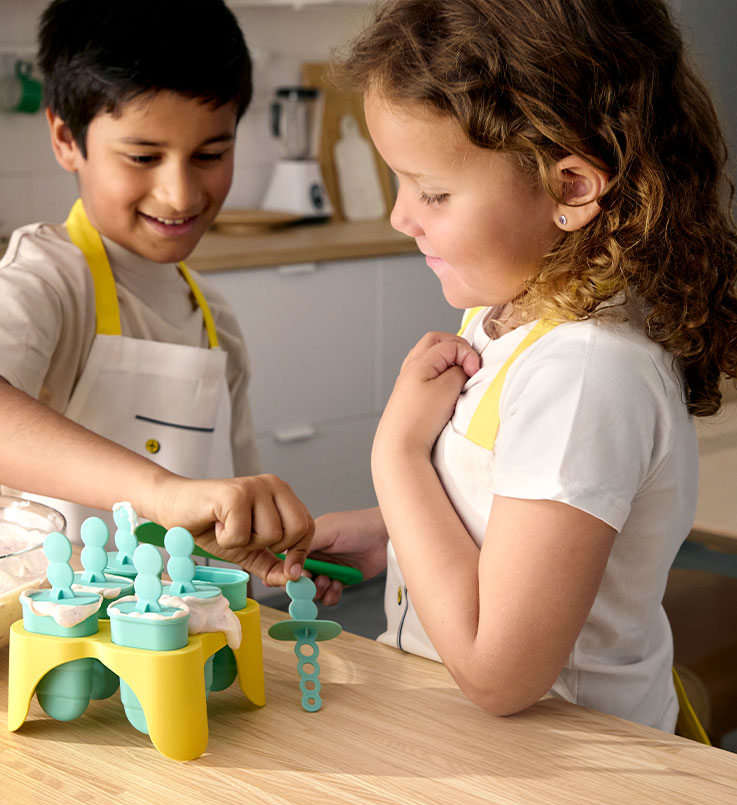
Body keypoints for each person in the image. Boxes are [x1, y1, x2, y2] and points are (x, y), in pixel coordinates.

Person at [308, 0, 737, 731]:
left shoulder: (584, 373)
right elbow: (526, 521)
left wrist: (397, 455)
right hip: (473, 747)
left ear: (570, 188)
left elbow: (500, 671)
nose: (400, 216)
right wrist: (390, 532)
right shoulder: (510, 312)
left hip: (566, 780)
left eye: (433, 191)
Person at [0, 0, 313, 584]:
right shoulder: (48, 279)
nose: (179, 193)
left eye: (211, 155)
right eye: (144, 157)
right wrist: (160, 492)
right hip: (47, 643)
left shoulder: (216, 320)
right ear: (68, 139)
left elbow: (226, 518)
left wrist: (270, 556)